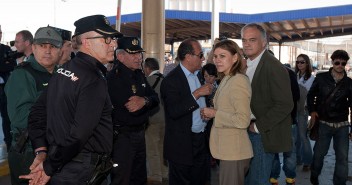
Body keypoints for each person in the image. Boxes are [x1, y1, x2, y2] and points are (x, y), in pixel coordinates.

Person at [20, 14, 122, 185]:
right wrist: (48, 167)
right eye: (107, 39)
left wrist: (42, 151)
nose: (114, 44)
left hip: (62, 165)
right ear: (87, 42)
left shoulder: (63, 71)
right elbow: (78, 135)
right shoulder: (92, 79)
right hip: (81, 171)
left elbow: (37, 112)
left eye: (113, 39)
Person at [5, 26, 63, 185]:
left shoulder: (62, 74)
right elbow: (21, 117)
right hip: (29, 151)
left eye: (53, 46)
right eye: (43, 46)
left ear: (60, 51)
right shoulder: (23, 74)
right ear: (34, 48)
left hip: (54, 149)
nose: (48, 51)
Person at [241, 23, 293, 185]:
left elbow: (285, 104)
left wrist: (257, 127)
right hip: (247, 130)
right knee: (250, 178)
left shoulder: (273, 66)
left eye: (252, 40)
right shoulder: (248, 63)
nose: (247, 44)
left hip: (262, 134)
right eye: (244, 40)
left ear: (264, 42)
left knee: (257, 179)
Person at [160, 38, 213, 185]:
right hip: (182, 143)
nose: (203, 59)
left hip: (201, 141)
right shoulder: (171, 80)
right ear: (188, 57)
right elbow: (173, 111)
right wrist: (196, 94)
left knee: (201, 180)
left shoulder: (198, 76)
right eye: (200, 55)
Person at [107, 36, 159, 185]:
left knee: (139, 177)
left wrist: (145, 101)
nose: (139, 58)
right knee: (122, 178)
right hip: (122, 138)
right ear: (121, 56)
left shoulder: (139, 75)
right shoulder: (113, 79)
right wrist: (146, 104)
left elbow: (155, 99)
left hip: (139, 133)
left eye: (139, 54)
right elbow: (132, 110)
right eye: (133, 54)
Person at [201, 39, 252, 185]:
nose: (217, 60)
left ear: (235, 57)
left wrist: (215, 114)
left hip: (234, 152)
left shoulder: (238, 80)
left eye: (222, 56)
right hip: (227, 151)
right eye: (215, 56)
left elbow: (243, 120)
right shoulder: (227, 78)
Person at [307, 50, 352, 185]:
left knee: (342, 158)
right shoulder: (321, 78)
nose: (340, 65)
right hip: (324, 124)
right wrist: (313, 111)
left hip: (342, 125)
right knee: (319, 155)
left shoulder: (349, 82)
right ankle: (314, 176)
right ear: (332, 62)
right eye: (337, 62)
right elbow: (311, 95)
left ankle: (340, 183)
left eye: (343, 63)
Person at [270, 63, 300, 185]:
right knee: (288, 151)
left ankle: (274, 177)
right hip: (285, 120)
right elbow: (296, 96)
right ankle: (289, 177)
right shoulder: (289, 73)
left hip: (280, 120)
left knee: (275, 151)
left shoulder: (284, 74)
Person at [143, 57, 168, 184]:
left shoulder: (147, 81)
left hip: (152, 119)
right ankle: (164, 173)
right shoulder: (166, 80)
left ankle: (155, 175)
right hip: (166, 119)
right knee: (163, 147)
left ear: (147, 68)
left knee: (152, 149)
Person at [295, 54, 314, 171]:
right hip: (293, 110)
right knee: (295, 137)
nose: (299, 64)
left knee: (303, 136)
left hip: (303, 110)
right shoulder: (294, 75)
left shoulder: (311, 78)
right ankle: (298, 159)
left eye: (302, 62)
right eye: (298, 62)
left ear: (307, 63)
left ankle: (307, 161)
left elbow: (306, 94)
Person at [0, 25, 16, 152]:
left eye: (0, 32)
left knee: (6, 117)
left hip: (4, 89)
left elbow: (11, 65)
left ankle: (9, 143)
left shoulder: (6, 48)